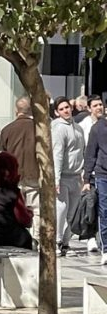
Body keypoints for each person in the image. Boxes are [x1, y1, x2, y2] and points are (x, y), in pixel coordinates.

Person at [0, 97, 40, 245]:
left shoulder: (6, 130)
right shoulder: (39, 128)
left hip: (13, 177)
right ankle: (36, 239)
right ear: (31, 110)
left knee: (13, 209)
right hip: (34, 174)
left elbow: (1, 157)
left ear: (16, 110)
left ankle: (17, 238)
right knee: (36, 210)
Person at [51, 96, 85, 257]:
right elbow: (57, 155)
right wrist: (56, 179)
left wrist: (83, 173)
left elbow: (81, 152)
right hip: (63, 176)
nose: (66, 111)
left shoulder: (78, 128)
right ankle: (56, 241)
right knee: (61, 210)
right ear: (57, 112)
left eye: (67, 107)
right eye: (62, 109)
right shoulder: (58, 129)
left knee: (72, 212)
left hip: (76, 176)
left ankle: (65, 242)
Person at [0, 152, 34, 249]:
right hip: (5, 236)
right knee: (26, 237)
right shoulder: (11, 191)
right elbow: (25, 220)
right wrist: (30, 213)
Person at [83, 108, 107, 265]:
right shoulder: (98, 128)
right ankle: (106, 248)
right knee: (104, 210)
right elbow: (90, 153)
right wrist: (86, 178)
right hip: (103, 175)